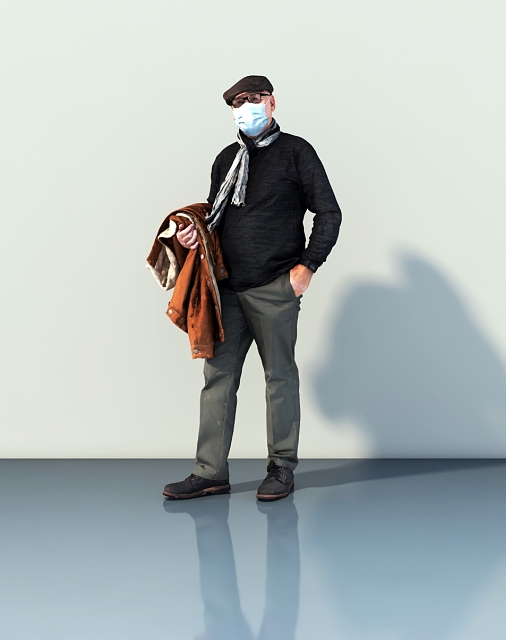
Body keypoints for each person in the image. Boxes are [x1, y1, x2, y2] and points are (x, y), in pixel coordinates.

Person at [162, 75, 341, 501]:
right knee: (217, 380)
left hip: (275, 285)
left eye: (254, 99)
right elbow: (217, 219)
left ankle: (281, 467)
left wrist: (306, 268)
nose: (247, 107)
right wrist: (194, 235)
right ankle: (210, 472)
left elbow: (329, 213)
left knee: (279, 377)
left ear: (272, 103)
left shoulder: (297, 152)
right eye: (238, 102)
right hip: (226, 290)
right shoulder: (226, 159)